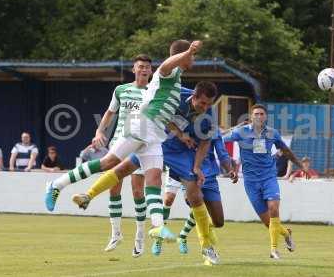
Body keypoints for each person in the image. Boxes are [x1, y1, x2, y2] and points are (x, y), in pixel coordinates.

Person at [46, 40, 202, 259]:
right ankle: (56, 184)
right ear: (183, 56)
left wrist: (180, 133)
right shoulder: (170, 71)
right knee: (108, 163)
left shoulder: (177, 78)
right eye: (192, 57)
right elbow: (166, 65)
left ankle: (157, 226)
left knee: (154, 180)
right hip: (143, 124)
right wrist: (188, 51)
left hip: (155, 134)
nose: (193, 60)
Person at [45, 54, 152, 257]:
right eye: (140, 66)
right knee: (114, 188)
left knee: (138, 192)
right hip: (120, 142)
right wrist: (99, 131)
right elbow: (110, 112)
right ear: (134, 69)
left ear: (151, 71)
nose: (144, 69)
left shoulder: (153, 91)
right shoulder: (121, 90)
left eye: (147, 67)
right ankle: (116, 233)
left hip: (141, 146)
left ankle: (139, 237)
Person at [223, 104, 302, 259]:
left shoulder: (272, 133)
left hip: (268, 178)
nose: (259, 116)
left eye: (261, 114)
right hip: (251, 182)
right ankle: (286, 233)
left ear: (266, 117)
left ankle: (274, 250)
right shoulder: (241, 132)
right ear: (251, 117)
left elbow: (285, 150)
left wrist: (300, 166)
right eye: (256, 114)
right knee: (268, 223)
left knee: (273, 208)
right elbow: (220, 139)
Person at [161, 128, 238, 255]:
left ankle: (188, 233)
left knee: (218, 222)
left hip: (210, 177)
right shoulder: (184, 126)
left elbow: (222, 153)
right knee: (194, 204)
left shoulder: (213, 129)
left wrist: (230, 169)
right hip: (190, 175)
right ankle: (206, 247)